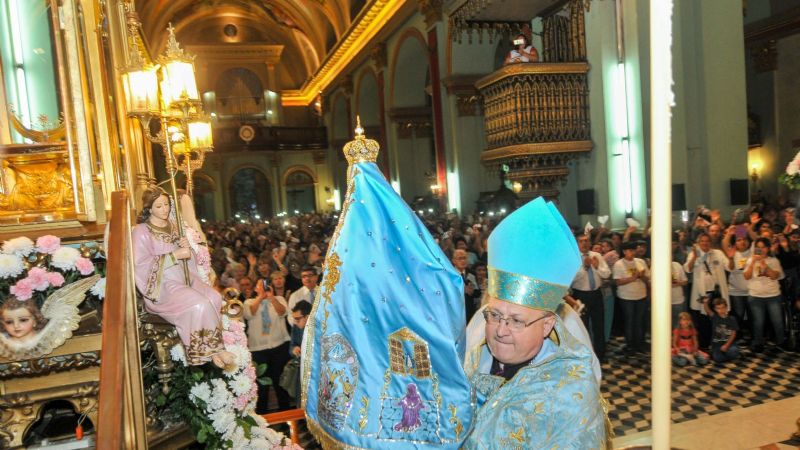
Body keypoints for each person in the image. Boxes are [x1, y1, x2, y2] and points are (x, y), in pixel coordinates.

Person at [463, 198, 607, 449]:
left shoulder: (571, 392)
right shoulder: (475, 360)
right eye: (494, 315)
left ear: (547, 324)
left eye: (516, 321)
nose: (500, 330)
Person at [132, 186, 234, 368]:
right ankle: (206, 351)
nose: (164, 209)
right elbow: (140, 264)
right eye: (158, 206)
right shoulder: (141, 231)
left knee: (215, 297)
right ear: (149, 209)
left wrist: (187, 249)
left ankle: (215, 349)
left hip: (185, 276)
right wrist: (175, 255)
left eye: (166, 204)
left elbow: (187, 258)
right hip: (163, 284)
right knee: (199, 304)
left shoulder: (174, 226)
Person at [243, 278, 292, 413]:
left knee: (280, 384)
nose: (264, 287)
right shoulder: (248, 302)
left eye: (266, 285)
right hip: (258, 350)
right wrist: (260, 297)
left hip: (279, 346)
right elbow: (249, 314)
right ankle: (263, 417)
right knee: (262, 386)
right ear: (255, 289)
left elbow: (283, 312)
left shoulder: (279, 299)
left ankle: (286, 417)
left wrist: (271, 298)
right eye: (260, 285)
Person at [683, 233, 730, 349]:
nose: (705, 243)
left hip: (717, 292)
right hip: (702, 293)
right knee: (703, 320)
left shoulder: (718, 253)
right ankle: (704, 345)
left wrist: (732, 257)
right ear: (698, 243)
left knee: (719, 318)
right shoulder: (694, 254)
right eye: (702, 241)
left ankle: (718, 344)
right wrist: (694, 257)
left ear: (711, 242)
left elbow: (729, 267)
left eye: (707, 241)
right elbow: (688, 269)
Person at [570, 233, 610, 360]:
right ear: (577, 243)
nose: (584, 243)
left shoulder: (597, 255)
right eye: (581, 241)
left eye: (586, 240)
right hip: (580, 295)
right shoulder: (573, 258)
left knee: (599, 324)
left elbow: (607, 274)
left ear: (590, 242)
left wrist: (596, 267)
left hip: (596, 294)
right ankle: (586, 355)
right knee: (583, 327)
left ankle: (600, 354)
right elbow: (571, 280)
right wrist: (585, 268)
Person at [743, 237, 786, 352]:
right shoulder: (750, 260)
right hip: (755, 295)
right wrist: (753, 262)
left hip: (773, 295)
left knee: (777, 321)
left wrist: (764, 264)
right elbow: (746, 276)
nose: (761, 250)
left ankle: (781, 342)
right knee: (758, 322)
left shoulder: (774, 261)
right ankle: (757, 343)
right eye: (758, 247)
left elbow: (775, 276)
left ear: (768, 248)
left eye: (763, 247)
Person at [613, 241, 650, 354]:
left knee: (639, 320)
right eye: (630, 250)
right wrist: (633, 278)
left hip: (641, 295)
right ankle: (630, 344)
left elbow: (647, 279)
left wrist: (642, 276)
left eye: (633, 250)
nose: (632, 253)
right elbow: (618, 282)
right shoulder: (619, 264)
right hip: (626, 297)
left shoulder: (640, 262)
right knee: (629, 320)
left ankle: (639, 343)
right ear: (624, 251)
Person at [703, 297, 740, 363]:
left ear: (726, 307)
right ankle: (721, 355)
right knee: (718, 358)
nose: (721, 310)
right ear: (715, 309)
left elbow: (733, 333)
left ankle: (724, 355)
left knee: (734, 351)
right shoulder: (715, 317)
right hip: (717, 345)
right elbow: (707, 310)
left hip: (729, 344)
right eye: (718, 308)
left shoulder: (732, 319)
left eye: (723, 307)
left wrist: (727, 345)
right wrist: (705, 302)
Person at [288, 300, 311, 401]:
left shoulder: (320, 329)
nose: (295, 322)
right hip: (301, 372)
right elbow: (291, 347)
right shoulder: (296, 327)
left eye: (297, 319)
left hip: (316, 373)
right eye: (294, 319)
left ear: (308, 317)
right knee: (301, 402)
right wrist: (294, 350)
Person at [453, 248, 481, 321]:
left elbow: (478, 292)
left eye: (464, 258)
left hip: (469, 310)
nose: (463, 261)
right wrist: (462, 289)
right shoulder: (450, 274)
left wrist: (472, 292)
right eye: (460, 258)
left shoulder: (472, 273)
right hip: (455, 309)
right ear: (454, 261)